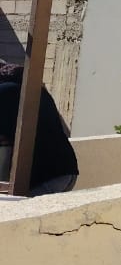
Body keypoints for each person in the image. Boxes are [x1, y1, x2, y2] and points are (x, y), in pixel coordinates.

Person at [0, 60, 78, 195]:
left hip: (43, 177)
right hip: (66, 171)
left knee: (17, 208)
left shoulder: (5, 93)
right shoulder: (32, 87)